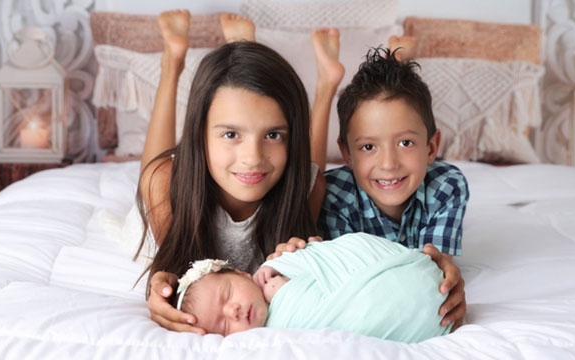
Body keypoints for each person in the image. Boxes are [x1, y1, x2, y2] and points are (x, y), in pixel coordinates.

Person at [136, 10, 345, 334]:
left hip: (298, 174)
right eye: (231, 134)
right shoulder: (165, 183)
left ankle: (323, 86)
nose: (252, 158)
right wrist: (160, 289)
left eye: (273, 134)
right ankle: (172, 63)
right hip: (173, 181)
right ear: (200, 135)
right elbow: (177, 271)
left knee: (309, 174)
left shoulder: (308, 184)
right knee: (154, 170)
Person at [271, 46, 469, 330]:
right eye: (368, 147)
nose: (388, 164)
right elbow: (349, 277)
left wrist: (443, 273)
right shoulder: (336, 196)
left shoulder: (447, 186)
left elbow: (434, 273)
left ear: (432, 146)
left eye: (405, 143)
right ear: (347, 154)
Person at [174, 232, 452, 343]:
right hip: (413, 311)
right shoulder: (273, 336)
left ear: (242, 274)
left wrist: (285, 271)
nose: (233, 311)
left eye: (228, 295)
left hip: (409, 271)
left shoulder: (280, 264)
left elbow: (333, 253)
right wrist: (285, 295)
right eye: (223, 327)